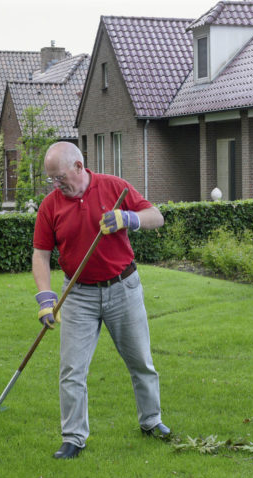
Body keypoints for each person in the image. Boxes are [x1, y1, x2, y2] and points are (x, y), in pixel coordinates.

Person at [32, 141, 170, 459]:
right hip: (78, 294)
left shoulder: (114, 187)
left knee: (141, 362)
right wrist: (45, 298)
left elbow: (156, 217)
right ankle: (73, 438)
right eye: (51, 178)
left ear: (79, 167)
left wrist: (127, 219)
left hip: (123, 288)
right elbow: (41, 255)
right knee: (71, 369)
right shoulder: (50, 206)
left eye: (59, 177)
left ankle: (151, 421)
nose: (55, 184)